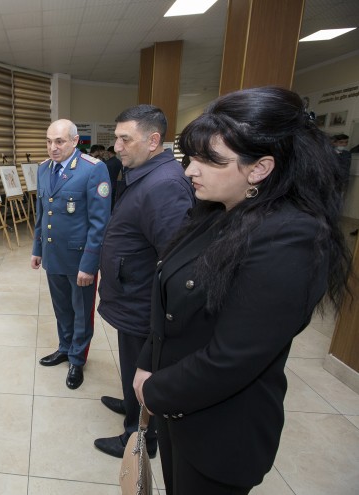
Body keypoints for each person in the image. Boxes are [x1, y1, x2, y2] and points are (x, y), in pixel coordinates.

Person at [133, 87, 350, 494]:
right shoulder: (217, 210)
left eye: (208, 160)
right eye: (191, 157)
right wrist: (147, 363)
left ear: (260, 168)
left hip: (220, 433)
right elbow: (170, 305)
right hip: (178, 407)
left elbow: (232, 359)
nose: (189, 171)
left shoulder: (292, 238)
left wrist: (154, 390)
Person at [94, 105, 194, 459]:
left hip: (143, 302)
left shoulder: (165, 184)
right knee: (130, 365)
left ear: (153, 141)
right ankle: (129, 404)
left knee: (142, 368)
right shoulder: (145, 174)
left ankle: (139, 438)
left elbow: (174, 260)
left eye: (125, 139)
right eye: (116, 138)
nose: (117, 147)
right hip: (131, 295)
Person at [31, 119, 111, 389]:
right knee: (61, 308)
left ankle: (77, 359)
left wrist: (90, 265)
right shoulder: (43, 169)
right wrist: (37, 249)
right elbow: (42, 213)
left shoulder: (93, 170)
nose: (53, 147)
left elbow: (100, 223)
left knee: (81, 312)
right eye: (49, 141)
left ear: (75, 141)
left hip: (80, 260)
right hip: (54, 256)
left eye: (60, 141)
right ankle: (65, 347)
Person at [103, 145, 122, 209]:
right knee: (113, 200)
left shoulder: (107, 163)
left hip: (107, 184)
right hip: (116, 183)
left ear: (109, 152)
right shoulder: (119, 162)